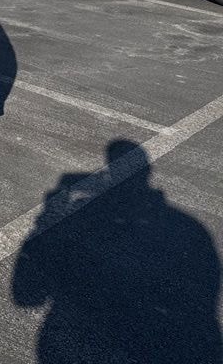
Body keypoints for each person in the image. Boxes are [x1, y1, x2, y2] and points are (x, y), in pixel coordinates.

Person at [13, 139, 221, 363]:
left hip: (79, 342)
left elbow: (26, 297)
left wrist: (45, 219)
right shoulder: (192, 228)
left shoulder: (86, 217)